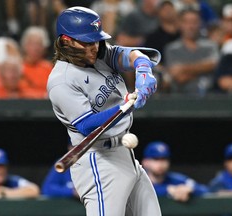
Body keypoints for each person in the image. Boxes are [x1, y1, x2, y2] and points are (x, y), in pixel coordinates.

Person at [47, 6, 162, 216]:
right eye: (87, 42)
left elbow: (130, 54)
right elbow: (86, 125)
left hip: (126, 153)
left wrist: (143, 68)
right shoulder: (61, 81)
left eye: (96, 40)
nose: (94, 47)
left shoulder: (98, 52)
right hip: (99, 161)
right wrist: (126, 105)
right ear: (66, 41)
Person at [165, 8, 219, 94]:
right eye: (186, 22)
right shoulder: (172, 49)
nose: (191, 26)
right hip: (181, 98)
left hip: (210, 97)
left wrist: (183, 68)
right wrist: (204, 70)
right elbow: (178, 77)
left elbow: (214, 65)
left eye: (194, 22)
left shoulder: (210, 46)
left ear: (200, 24)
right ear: (180, 24)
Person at [142, 141, 208, 202]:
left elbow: (205, 190)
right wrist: (168, 190)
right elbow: (144, 191)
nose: (161, 163)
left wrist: (189, 189)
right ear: (145, 162)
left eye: (164, 159)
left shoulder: (175, 179)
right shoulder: (139, 180)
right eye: (156, 159)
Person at [21, 26, 52, 97]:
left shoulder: (48, 67)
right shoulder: (19, 67)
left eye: (39, 44)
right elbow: (22, 91)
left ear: (44, 48)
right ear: (25, 45)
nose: (36, 48)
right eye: (32, 44)